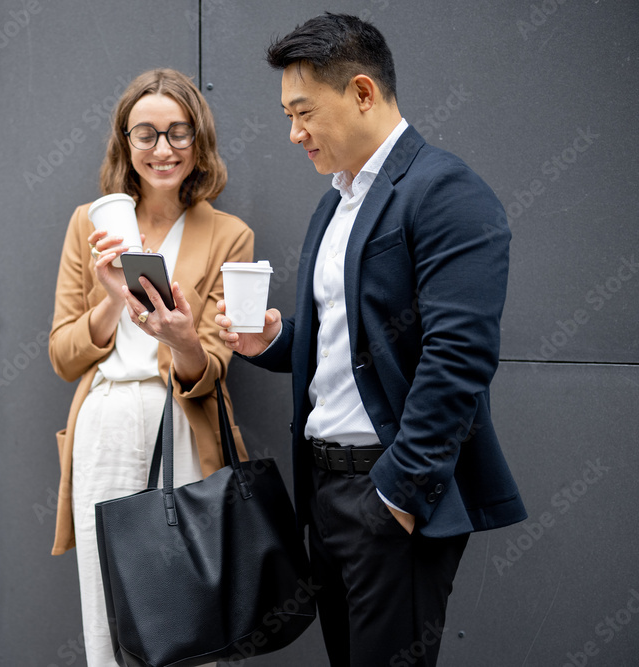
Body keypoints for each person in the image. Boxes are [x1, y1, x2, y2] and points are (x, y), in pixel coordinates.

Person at [215, 14, 526, 667]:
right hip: (325, 495)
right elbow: (347, 343)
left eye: (303, 112)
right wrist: (274, 341)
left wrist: (398, 495)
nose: (292, 132)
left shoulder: (444, 190)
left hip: (388, 497)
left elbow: (459, 356)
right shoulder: (334, 203)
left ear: (362, 92)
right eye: (286, 114)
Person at [49, 68, 253, 666]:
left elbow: (212, 370)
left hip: (183, 423)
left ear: (199, 140)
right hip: (106, 422)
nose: (163, 149)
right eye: (146, 134)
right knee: (108, 611)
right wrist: (111, 295)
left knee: (191, 611)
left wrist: (184, 338)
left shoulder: (227, 234)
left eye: (178, 132)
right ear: (125, 142)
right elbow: (63, 356)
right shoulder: (90, 224)